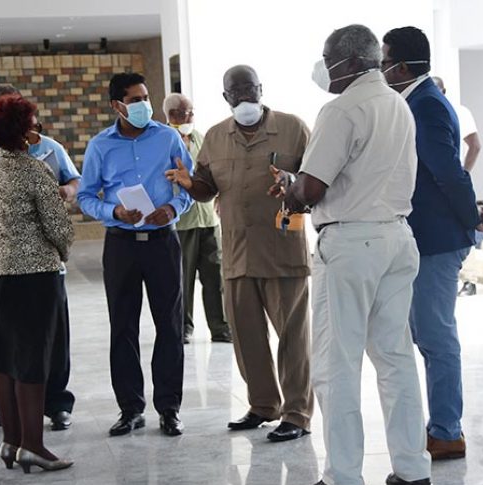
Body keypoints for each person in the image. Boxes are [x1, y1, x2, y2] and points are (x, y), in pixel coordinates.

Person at [276, 25, 431, 485]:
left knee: (335, 363)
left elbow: (311, 189)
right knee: (396, 359)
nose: (323, 69)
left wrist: (288, 186)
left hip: (349, 245)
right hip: (397, 239)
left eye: (327, 59)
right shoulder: (396, 104)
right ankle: (412, 469)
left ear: (346, 62)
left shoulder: (341, 109)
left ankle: (344, 478)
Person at [165, 65, 314, 443]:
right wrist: (188, 184)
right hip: (237, 253)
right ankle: (263, 405)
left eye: (250, 89)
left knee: (293, 338)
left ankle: (297, 413)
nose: (244, 97)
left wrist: (293, 183)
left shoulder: (293, 128)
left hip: (282, 251)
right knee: (246, 337)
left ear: (261, 89)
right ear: (226, 97)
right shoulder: (215, 137)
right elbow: (206, 189)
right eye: (236, 92)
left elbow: (317, 182)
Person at [382, 26, 483, 461]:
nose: (380, 68)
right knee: (425, 333)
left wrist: (472, 219)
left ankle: (447, 431)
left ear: (402, 66)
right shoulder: (414, 100)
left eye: (385, 60)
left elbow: (447, 171)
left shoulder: (425, 104)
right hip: (424, 236)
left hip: (436, 239)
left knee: (435, 335)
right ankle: (438, 425)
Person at [0, 85, 80, 435]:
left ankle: (12, 439)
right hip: (36, 274)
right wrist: (59, 252)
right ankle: (33, 444)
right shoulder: (35, 170)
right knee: (34, 354)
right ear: (23, 128)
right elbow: (60, 230)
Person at [78, 73, 193, 437]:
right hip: (121, 245)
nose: (144, 104)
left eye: (146, 97)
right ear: (117, 105)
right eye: (135, 99)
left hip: (162, 241)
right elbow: (85, 196)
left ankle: (169, 409)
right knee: (123, 327)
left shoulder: (168, 136)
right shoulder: (100, 146)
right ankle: (130, 409)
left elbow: (189, 183)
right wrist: (114, 212)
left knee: (170, 326)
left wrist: (173, 208)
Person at [163, 93, 232, 345]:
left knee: (215, 276)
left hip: (208, 221)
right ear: (171, 115)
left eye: (191, 112)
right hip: (183, 222)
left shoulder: (201, 137)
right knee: (183, 278)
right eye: (184, 113)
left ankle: (221, 328)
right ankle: (182, 327)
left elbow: (215, 170)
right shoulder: (165, 140)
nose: (190, 117)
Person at [432, 76, 483, 296]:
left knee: (462, 227)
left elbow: (475, 145)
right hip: (449, 183)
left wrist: (463, 172)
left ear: (445, 91)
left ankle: (469, 279)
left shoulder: (457, 111)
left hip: (453, 182)